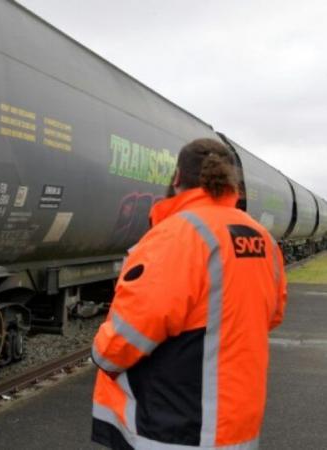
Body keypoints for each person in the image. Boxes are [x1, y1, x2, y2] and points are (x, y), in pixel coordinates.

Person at [90, 138, 287, 450]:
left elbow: (128, 335)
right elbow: (272, 315)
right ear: (231, 182)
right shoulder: (262, 239)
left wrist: (101, 353)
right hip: (237, 426)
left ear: (178, 177)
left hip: (176, 425)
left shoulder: (176, 236)